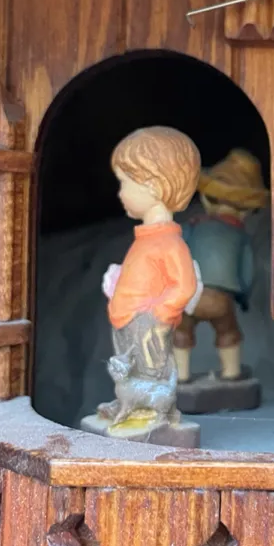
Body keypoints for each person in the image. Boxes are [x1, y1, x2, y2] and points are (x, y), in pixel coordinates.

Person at [98, 126, 201, 428]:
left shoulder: (170, 243)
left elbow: (185, 285)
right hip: (125, 318)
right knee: (128, 364)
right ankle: (127, 401)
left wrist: (158, 316)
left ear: (153, 187)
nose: (120, 193)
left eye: (124, 183)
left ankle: (152, 410)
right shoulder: (147, 238)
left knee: (152, 367)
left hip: (147, 322)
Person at [174, 149, 269, 383]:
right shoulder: (240, 237)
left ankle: (181, 376)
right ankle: (231, 373)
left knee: (182, 332)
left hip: (190, 297)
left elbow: (176, 255)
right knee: (228, 332)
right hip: (220, 298)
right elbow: (246, 270)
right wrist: (243, 297)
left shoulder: (192, 228)